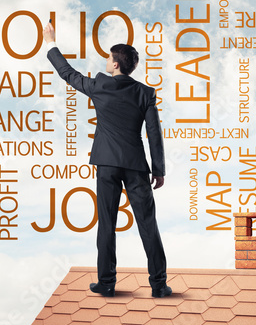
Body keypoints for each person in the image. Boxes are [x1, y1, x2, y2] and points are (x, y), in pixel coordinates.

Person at [43, 21, 171, 298]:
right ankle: (158, 285)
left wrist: (51, 43)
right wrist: (159, 169)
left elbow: (68, 74)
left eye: (108, 58)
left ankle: (107, 283)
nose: (106, 62)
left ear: (115, 65)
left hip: (107, 164)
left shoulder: (101, 85)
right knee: (148, 223)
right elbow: (154, 134)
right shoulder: (145, 93)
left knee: (107, 223)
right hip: (137, 166)